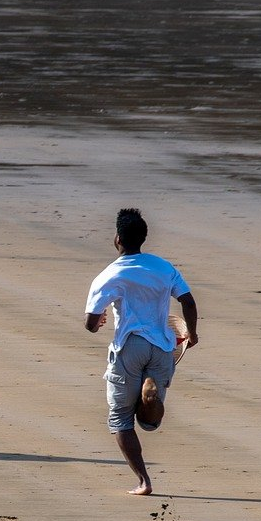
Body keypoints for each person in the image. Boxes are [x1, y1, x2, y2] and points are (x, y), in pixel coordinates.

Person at [84, 208, 198, 495]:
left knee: (120, 418)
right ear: (144, 237)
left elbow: (90, 323)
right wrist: (192, 334)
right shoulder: (164, 267)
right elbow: (188, 301)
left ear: (117, 239)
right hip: (162, 346)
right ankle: (150, 393)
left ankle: (143, 481)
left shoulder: (110, 274)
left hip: (129, 346)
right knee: (150, 423)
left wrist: (99, 322)